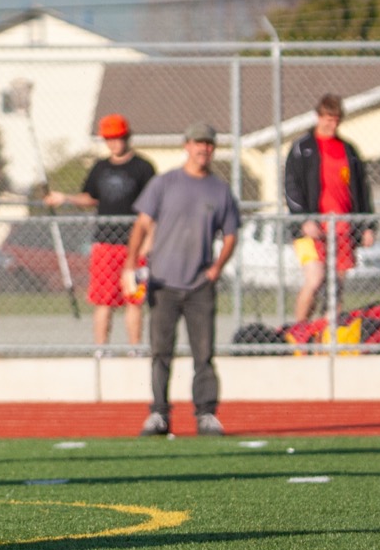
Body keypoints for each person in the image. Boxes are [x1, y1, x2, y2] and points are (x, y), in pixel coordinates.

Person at [125, 122, 240, 438]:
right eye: (197, 143)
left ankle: (205, 415)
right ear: (186, 145)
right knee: (161, 352)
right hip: (163, 283)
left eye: (209, 144)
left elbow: (231, 234)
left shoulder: (219, 190)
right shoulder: (165, 183)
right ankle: (159, 415)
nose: (203, 149)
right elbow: (142, 224)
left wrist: (217, 266)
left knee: (203, 353)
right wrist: (131, 263)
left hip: (199, 285)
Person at [45, 113, 156, 348]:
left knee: (133, 301)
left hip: (133, 246)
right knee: (103, 301)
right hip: (105, 244)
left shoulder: (143, 168)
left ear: (127, 137)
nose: (113, 143)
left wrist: (147, 243)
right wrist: (65, 197)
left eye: (118, 138)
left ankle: (134, 349)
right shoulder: (100, 168)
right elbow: (90, 197)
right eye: (109, 139)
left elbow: (153, 209)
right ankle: (101, 350)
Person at [284, 94, 377, 322]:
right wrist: (304, 219)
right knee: (315, 279)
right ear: (318, 117)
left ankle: (327, 339)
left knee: (336, 287)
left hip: (343, 228)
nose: (332, 124)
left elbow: (362, 191)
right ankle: (301, 332)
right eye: (327, 119)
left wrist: (367, 226)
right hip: (312, 228)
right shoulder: (302, 148)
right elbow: (291, 187)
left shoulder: (348, 150)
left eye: (336, 120)